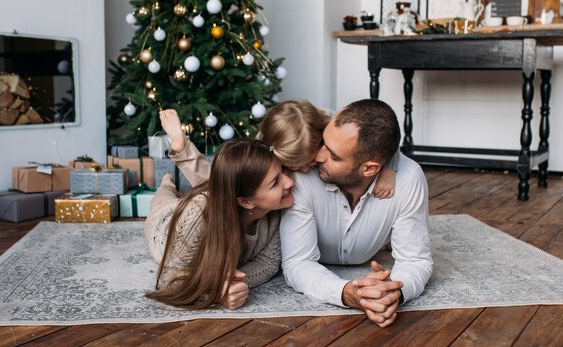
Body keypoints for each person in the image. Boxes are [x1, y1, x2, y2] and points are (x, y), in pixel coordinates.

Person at [279, 98, 433, 328]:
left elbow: (415, 260)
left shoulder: (409, 178)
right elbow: (297, 262)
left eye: (333, 155)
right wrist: (346, 293)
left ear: (370, 168)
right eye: (323, 142)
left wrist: (393, 293)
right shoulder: (300, 174)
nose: (317, 156)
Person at [145, 109, 294, 310]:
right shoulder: (196, 215)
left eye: (283, 171)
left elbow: (268, 263)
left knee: (223, 181)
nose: (290, 181)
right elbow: (171, 274)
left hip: (223, 199)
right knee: (165, 197)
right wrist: (216, 290)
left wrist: (236, 282)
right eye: (276, 182)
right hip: (165, 222)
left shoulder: (274, 213)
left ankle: (183, 151)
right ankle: (167, 182)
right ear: (246, 202)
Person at [257, 99, 398, 198]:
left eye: (310, 161)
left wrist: (389, 169)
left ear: (319, 136)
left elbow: (380, 132)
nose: (306, 169)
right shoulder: (272, 150)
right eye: (296, 167)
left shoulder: (328, 121)